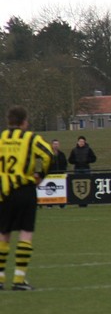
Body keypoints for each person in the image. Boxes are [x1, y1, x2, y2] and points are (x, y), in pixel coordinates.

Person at [0, 106, 54, 291]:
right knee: (25, 232)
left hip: (3, 191)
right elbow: (48, 155)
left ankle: (0, 278)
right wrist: (41, 175)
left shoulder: (1, 138)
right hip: (24, 190)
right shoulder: (30, 138)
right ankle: (19, 279)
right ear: (24, 122)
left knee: (3, 233)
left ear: (8, 121)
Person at [68, 135, 96, 207]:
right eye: (80, 141)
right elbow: (70, 160)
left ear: (85, 142)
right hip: (77, 169)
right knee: (78, 185)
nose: (81, 143)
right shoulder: (74, 150)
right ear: (77, 142)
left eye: (82, 141)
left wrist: (87, 161)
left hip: (86, 169)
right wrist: (76, 161)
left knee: (87, 185)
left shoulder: (88, 149)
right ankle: (79, 202)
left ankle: (86, 201)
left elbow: (94, 158)